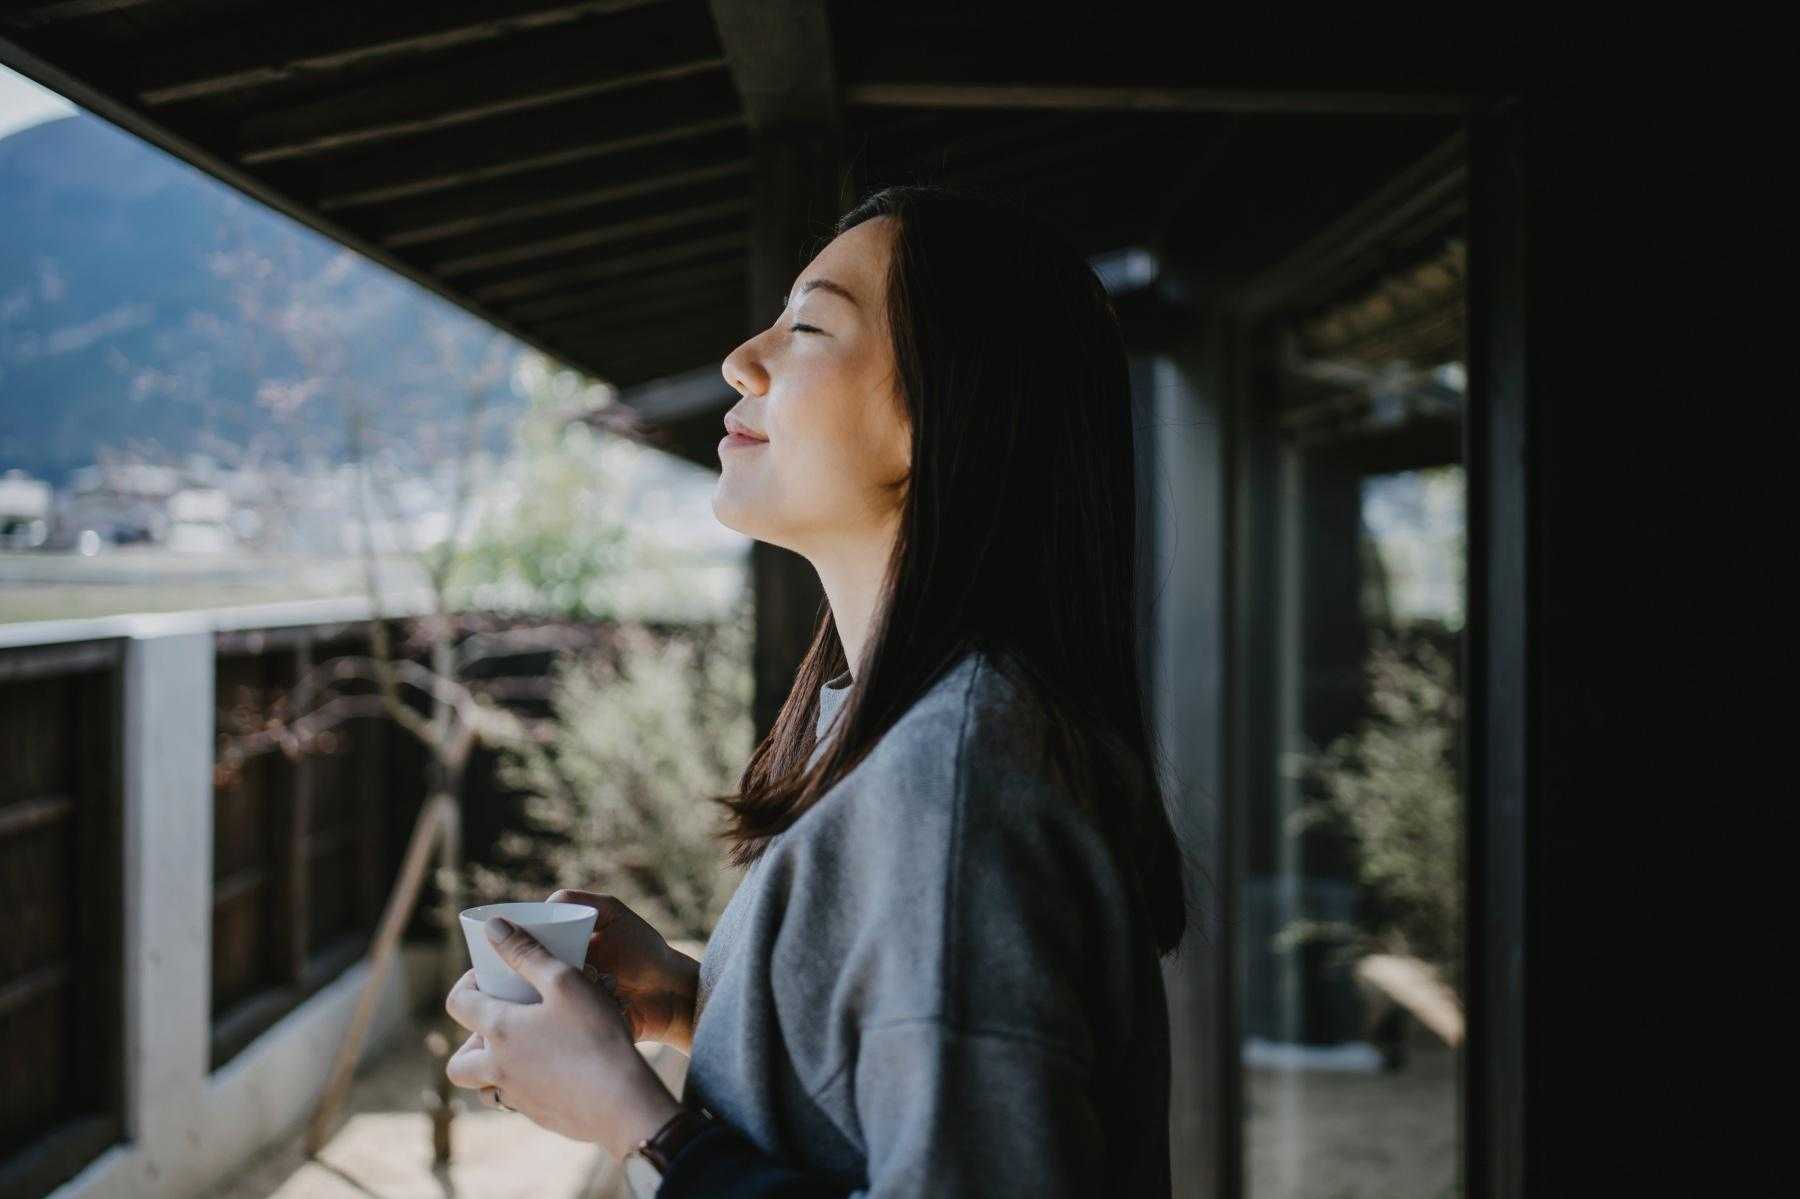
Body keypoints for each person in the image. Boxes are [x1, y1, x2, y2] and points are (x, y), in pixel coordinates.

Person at [444, 182, 1197, 1196]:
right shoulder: (904, 729)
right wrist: (692, 997)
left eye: (806, 326)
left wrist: (638, 1120)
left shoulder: (955, 786)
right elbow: (884, 1098)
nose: (742, 359)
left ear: (945, 412)